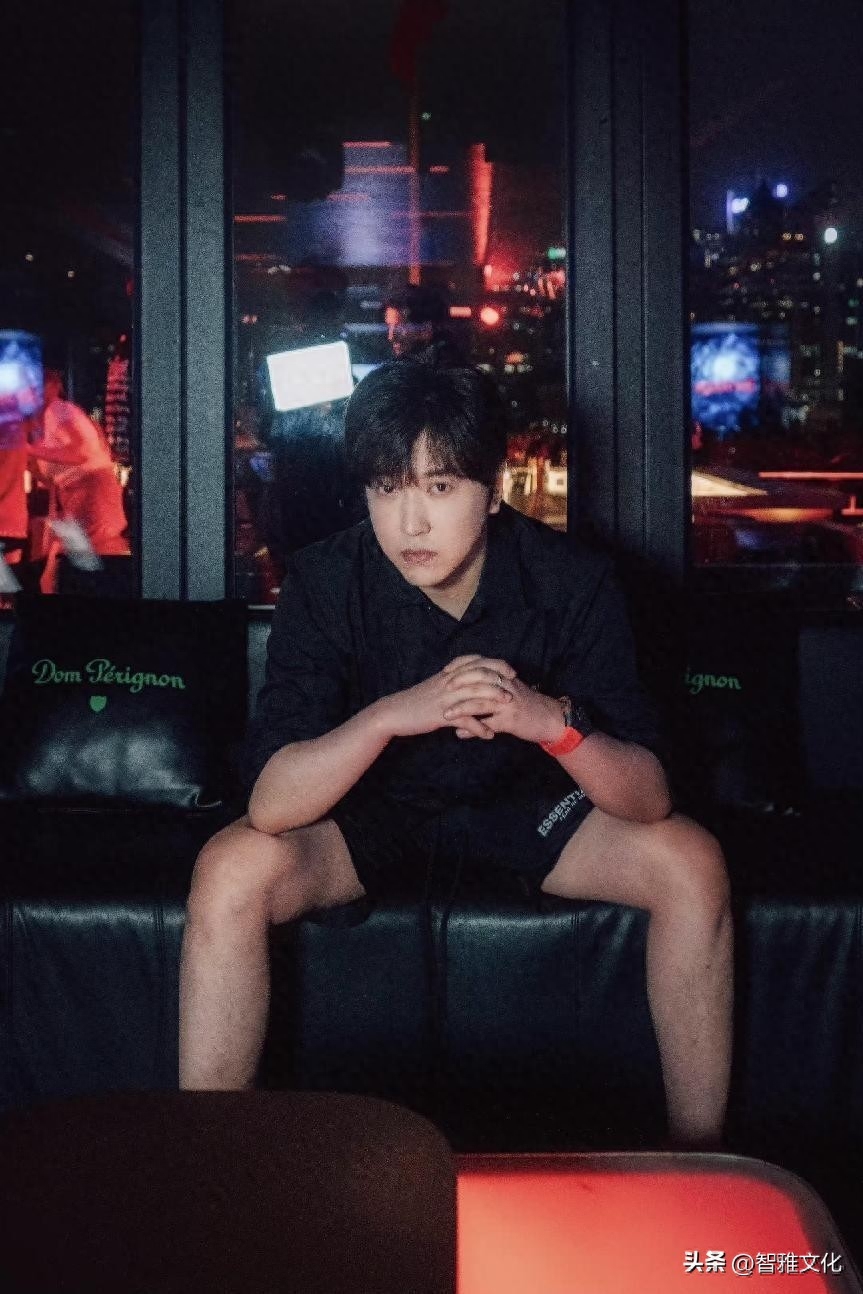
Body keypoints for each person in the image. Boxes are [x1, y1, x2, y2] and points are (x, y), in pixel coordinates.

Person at [179, 359, 733, 1148]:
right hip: (372, 810)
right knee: (229, 866)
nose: (410, 523)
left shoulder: (570, 580)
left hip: (525, 804)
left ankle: (700, 1157)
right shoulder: (325, 579)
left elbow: (648, 799)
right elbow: (271, 805)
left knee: (690, 860)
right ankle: (206, 1163)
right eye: (386, 489)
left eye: (439, 488)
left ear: (493, 487)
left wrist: (547, 722)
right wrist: (389, 717)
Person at [29, 370, 131, 594]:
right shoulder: (50, 417)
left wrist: (28, 450)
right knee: (79, 556)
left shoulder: (59, 410)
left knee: (95, 552)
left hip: (90, 490)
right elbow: (58, 466)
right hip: (80, 493)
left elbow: (82, 453)